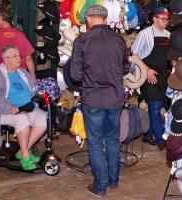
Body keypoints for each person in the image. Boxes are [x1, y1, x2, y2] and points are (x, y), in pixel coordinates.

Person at [70, 5, 130, 198]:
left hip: (93, 98)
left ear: (88, 18)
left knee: (95, 143)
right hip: (114, 98)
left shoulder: (82, 41)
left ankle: (100, 185)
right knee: (113, 139)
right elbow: (126, 68)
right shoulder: (119, 40)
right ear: (105, 19)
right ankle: (113, 180)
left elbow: (75, 75)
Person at [0, 45, 46, 171]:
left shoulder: (22, 72)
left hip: (24, 108)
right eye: (15, 56)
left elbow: (33, 87)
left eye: (19, 55)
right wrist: (8, 109)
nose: (19, 58)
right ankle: (26, 157)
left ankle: (23, 151)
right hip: (1, 111)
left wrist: (41, 90)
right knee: (22, 120)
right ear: (5, 59)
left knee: (43, 118)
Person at [131, 7, 171, 150]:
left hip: (164, 76)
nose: (166, 21)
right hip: (148, 75)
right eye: (163, 19)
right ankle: (161, 139)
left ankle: (147, 135)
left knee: (159, 106)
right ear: (154, 18)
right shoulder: (144, 34)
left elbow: (170, 57)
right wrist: (147, 70)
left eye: (167, 19)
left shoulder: (168, 35)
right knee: (154, 107)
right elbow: (134, 55)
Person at [0, 5, 36, 81]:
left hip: (2, 81)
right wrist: (33, 79)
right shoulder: (20, 35)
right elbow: (28, 59)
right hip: (21, 80)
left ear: (0, 17)